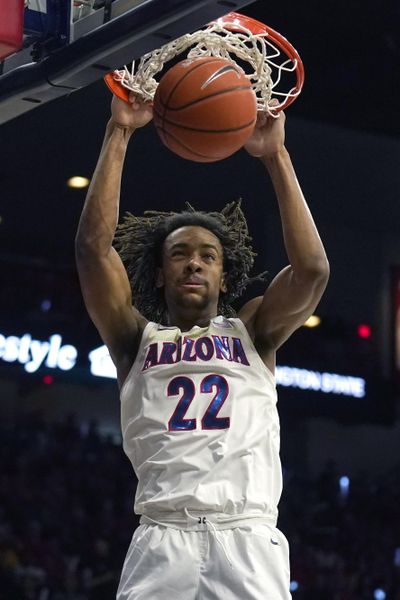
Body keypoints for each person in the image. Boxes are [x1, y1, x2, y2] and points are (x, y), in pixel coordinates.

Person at [75, 91, 329, 600]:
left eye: (208, 255)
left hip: (247, 534)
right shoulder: (133, 339)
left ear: (223, 272)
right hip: (163, 535)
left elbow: (312, 270)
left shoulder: (254, 331)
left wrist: (275, 156)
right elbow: (91, 250)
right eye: (181, 254)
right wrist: (119, 131)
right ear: (160, 272)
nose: (194, 263)